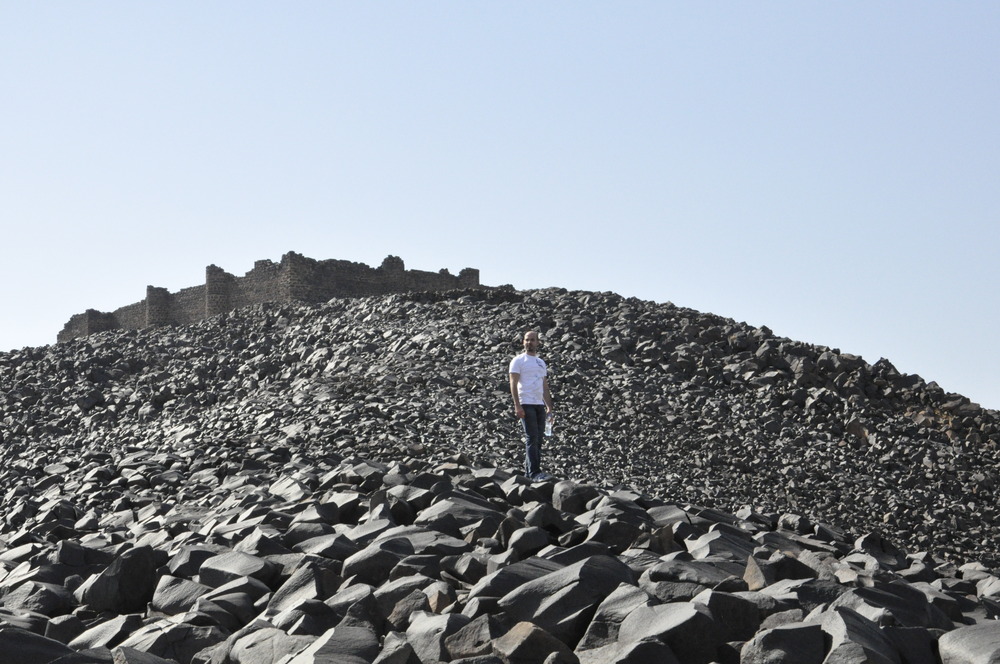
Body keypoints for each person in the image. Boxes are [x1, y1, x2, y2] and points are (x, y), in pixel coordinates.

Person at [509, 329, 555, 480]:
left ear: (538, 343)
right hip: (526, 402)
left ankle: (530, 472)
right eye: (527, 340)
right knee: (532, 437)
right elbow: (513, 383)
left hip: (538, 404)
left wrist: (549, 407)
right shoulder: (518, 361)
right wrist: (517, 405)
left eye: (532, 340)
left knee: (538, 438)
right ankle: (534, 472)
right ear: (523, 342)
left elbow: (545, 386)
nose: (529, 342)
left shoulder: (541, 363)